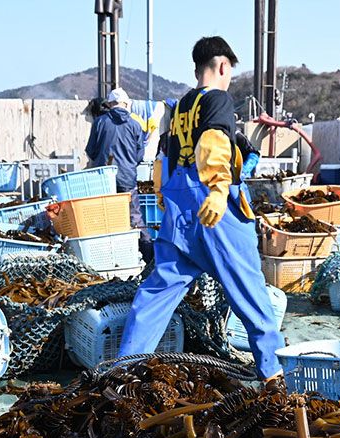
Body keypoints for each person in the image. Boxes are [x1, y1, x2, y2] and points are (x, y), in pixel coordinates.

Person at [118, 36, 284, 380]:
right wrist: (219, 189)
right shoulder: (218, 100)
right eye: (229, 72)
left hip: (178, 215)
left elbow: (163, 159)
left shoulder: (178, 108)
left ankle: (121, 371)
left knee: (155, 296)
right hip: (214, 212)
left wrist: (166, 199)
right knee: (251, 294)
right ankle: (273, 375)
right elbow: (212, 143)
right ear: (222, 66)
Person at [85, 87, 152, 260]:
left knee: (104, 218)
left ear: (109, 104)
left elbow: (91, 151)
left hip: (103, 178)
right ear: (126, 104)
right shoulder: (135, 125)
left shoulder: (99, 122)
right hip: (127, 178)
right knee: (134, 217)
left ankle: (106, 258)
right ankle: (148, 257)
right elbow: (139, 155)